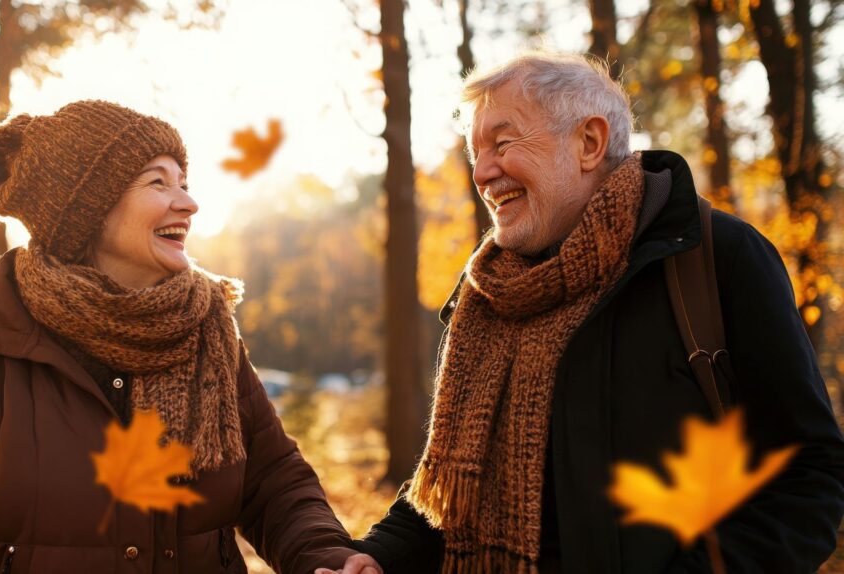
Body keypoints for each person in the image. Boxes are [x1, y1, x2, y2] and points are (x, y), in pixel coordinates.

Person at [320, 51, 844, 574]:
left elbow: (811, 475)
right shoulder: (486, 300)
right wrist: (377, 557)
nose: (481, 172)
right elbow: (448, 490)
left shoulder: (715, 258)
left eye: (503, 143)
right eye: (474, 152)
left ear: (589, 143)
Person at [0, 100, 357, 573]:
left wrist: (326, 555)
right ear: (88, 208)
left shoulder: (209, 335)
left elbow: (274, 484)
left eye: (183, 181)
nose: (189, 202)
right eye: (158, 183)